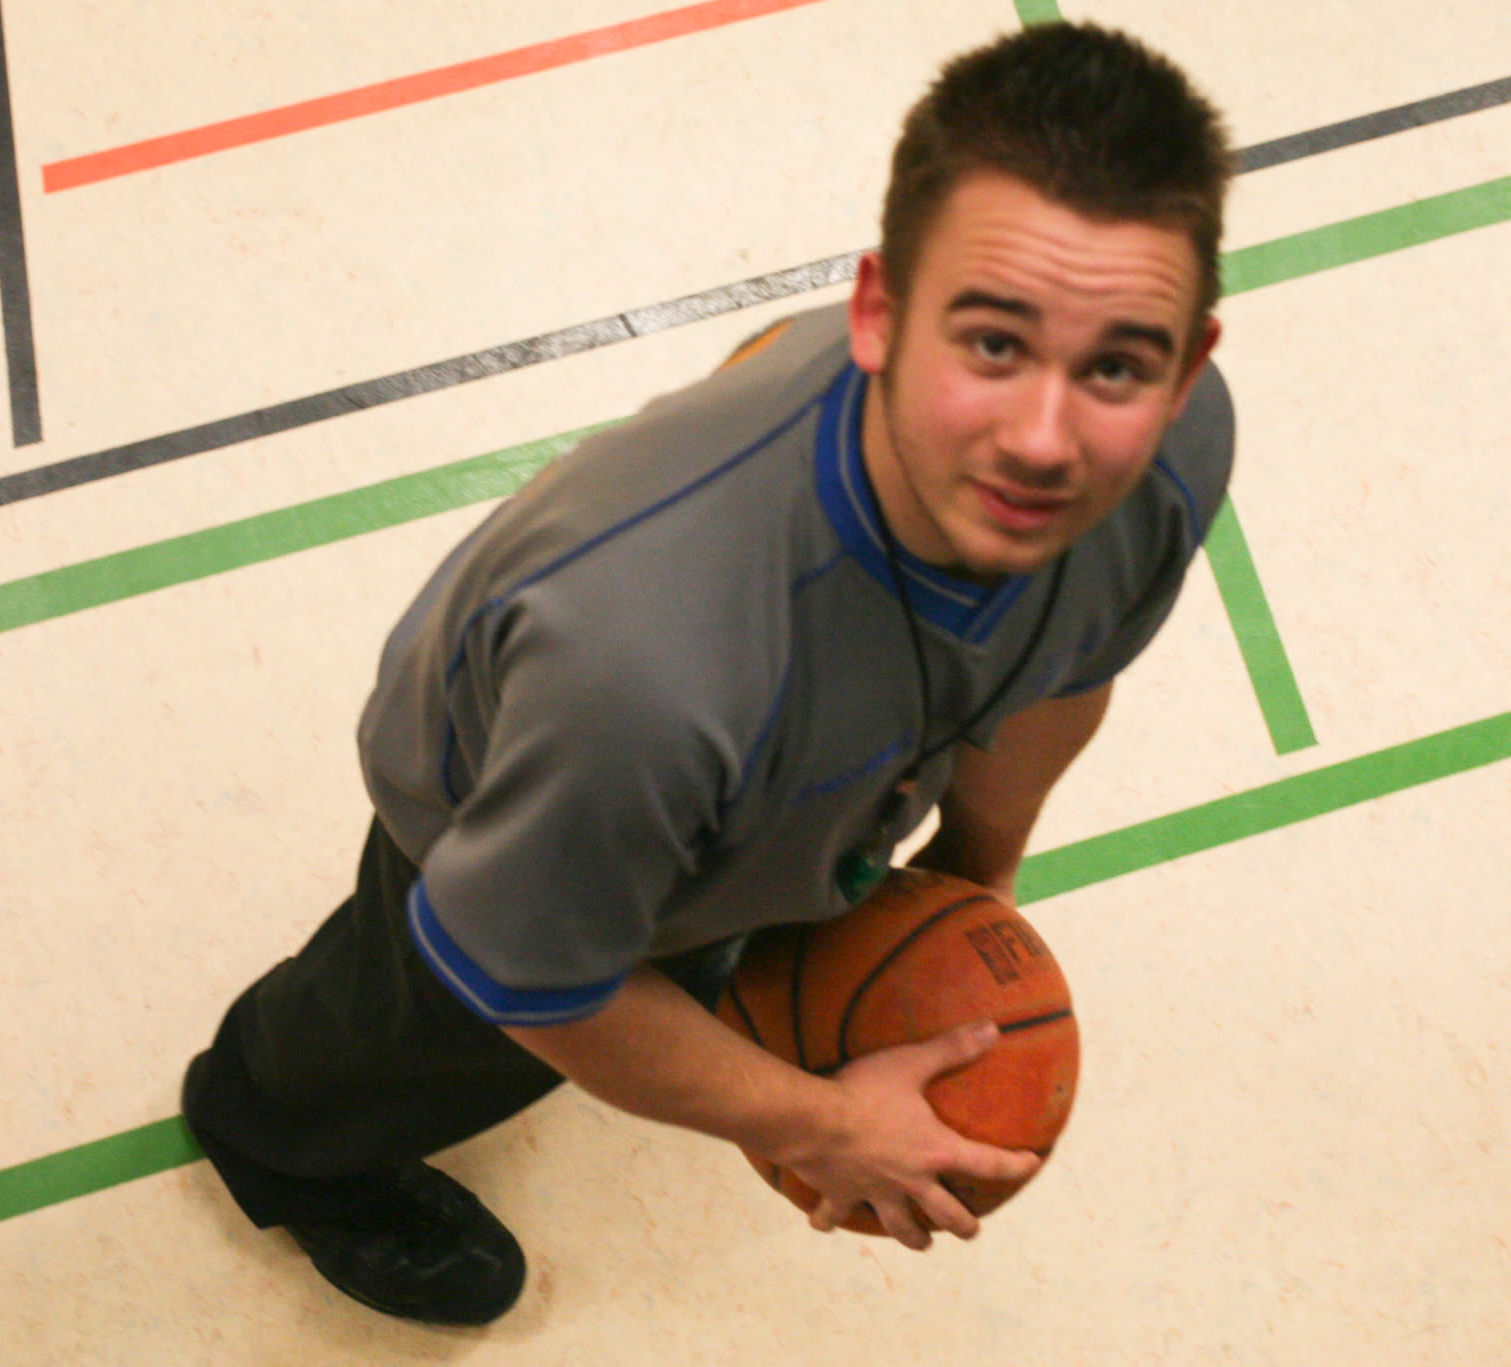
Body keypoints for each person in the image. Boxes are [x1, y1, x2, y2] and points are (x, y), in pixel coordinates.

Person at [182, 21, 1237, 1327]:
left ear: (1186, 367)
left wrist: (973, 871)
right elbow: (535, 981)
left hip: (771, 783)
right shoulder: (639, 676)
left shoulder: (1175, 457)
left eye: (1117, 366)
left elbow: (1066, 665)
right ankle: (270, 1129)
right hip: (496, 794)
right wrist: (820, 1126)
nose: (1043, 440)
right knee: (419, 1026)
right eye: (992, 345)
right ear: (877, 312)